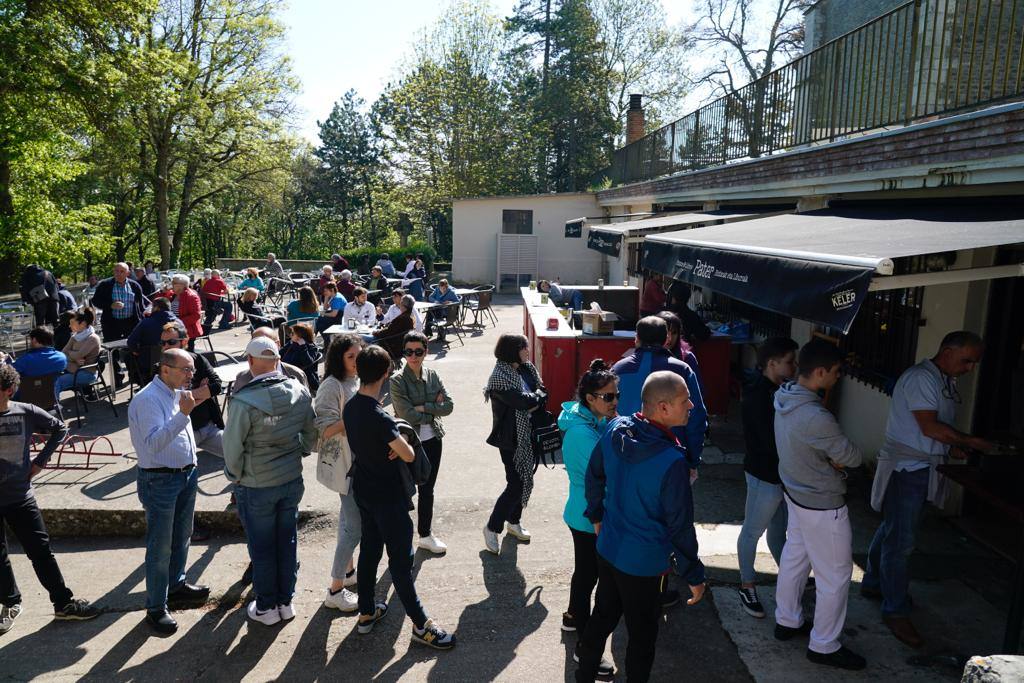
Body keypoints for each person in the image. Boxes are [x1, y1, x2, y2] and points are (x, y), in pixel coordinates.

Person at [862, 331, 992, 648]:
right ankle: (895, 610)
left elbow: (934, 432)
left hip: (921, 463)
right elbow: (930, 427)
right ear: (947, 351)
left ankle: (874, 581)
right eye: (967, 360)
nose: (970, 368)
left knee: (894, 529)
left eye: (974, 362)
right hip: (909, 469)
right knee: (901, 542)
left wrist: (952, 448)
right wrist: (969, 441)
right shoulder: (922, 378)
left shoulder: (943, 379)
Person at [576, 371, 707, 682]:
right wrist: (694, 574)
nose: (691, 405)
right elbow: (680, 528)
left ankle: (583, 676)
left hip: (608, 548)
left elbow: (593, 475)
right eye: (684, 400)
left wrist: (596, 515)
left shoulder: (615, 428)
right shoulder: (672, 462)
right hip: (645, 565)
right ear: (662, 408)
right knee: (642, 637)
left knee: (603, 615)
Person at [344, 344, 456, 650]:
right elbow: (407, 453)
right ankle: (422, 625)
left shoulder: (351, 407)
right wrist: (398, 446)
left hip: (364, 490)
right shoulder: (380, 417)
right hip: (388, 496)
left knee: (369, 551)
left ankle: (366, 612)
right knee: (401, 563)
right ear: (384, 375)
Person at [773, 339, 865, 671]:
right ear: (821, 372)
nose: (839, 377)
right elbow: (851, 457)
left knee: (795, 556)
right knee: (836, 577)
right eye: (838, 372)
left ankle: (787, 620)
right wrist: (835, 462)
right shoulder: (815, 416)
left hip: (795, 491)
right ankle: (824, 644)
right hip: (821, 502)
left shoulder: (784, 395)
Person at [224, 336, 317, 626]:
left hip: (256, 483)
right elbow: (311, 436)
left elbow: (232, 449)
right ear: (277, 361)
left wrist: (235, 476)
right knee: (287, 541)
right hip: (290, 478)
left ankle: (266, 606)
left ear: (250, 362)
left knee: (262, 547)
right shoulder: (299, 391)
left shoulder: (242, 400)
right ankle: (285, 602)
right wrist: (298, 450)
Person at [0, 365, 98, 634]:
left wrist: (40, 462)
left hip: (20, 497)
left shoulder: (25, 411)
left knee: (41, 553)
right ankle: (10, 603)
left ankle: (64, 604)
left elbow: (59, 429)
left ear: (8, 390)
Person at [128, 348, 213, 634]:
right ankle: (155, 607)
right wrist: (184, 415)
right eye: (186, 369)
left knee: (182, 536)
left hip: (184, 475)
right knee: (160, 546)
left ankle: (175, 585)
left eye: (192, 369)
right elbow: (153, 444)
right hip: (160, 480)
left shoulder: (173, 393)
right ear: (165, 369)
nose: (192, 375)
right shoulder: (148, 400)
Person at [557, 359, 618, 678]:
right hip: (587, 517)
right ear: (590, 398)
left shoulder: (594, 421)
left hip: (585, 512)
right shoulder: (582, 433)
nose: (614, 401)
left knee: (585, 574)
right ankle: (585, 646)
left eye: (615, 395)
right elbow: (605, 473)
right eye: (608, 396)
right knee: (588, 579)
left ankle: (571, 618)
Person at [736, 337, 798, 618]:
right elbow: (769, 441)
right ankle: (746, 585)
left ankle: (790, 578)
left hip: (779, 475)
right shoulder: (760, 395)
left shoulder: (775, 389)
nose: (794, 366)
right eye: (789, 361)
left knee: (777, 532)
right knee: (752, 532)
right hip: (765, 474)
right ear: (772, 364)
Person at [612, 316, 707, 472]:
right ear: (666, 339)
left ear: (636, 339)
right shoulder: (682, 370)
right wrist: (693, 459)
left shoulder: (618, 369)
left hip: (624, 456)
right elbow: (696, 417)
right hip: (671, 458)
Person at [483, 333, 547, 554]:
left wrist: (536, 398)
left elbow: (542, 392)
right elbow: (520, 401)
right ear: (513, 350)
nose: (528, 351)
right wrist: (535, 399)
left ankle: (514, 521)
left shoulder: (527, 368)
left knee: (525, 478)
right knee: (516, 484)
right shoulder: (499, 377)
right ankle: (492, 527)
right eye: (524, 347)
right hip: (510, 439)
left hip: (530, 434)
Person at [390, 331, 453, 555]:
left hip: (433, 440)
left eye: (418, 351)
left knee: (428, 490)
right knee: (403, 491)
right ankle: (400, 538)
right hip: (408, 442)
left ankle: (425, 534)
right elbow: (406, 415)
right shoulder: (397, 380)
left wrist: (423, 407)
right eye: (408, 352)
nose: (413, 356)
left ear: (425, 352)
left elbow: (449, 406)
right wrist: (432, 408)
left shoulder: (432, 375)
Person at [315, 334, 364, 612]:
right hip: (345, 465)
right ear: (338, 359)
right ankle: (335, 589)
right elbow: (322, 429)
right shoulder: (331, 386)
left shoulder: (355, 380)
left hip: (359, 462)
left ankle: (348, 572)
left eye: (359, 355)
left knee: (348, 521)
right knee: (353, 528)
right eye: (351, 356)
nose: (357, 361)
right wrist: (359, 417)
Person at [160, 322, 223, 458]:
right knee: (179, 466)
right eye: (163, 343)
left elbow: (216, 386)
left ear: (184, 341)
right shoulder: (160, 369)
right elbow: (167, 401)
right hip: (181, 433)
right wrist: (202, 392)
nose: (165, 347)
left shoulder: (198, 360)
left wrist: (187, 399)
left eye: (171, 342)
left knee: (240, 452)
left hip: (208, 428)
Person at [91, 262, 148, 385]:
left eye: (121, 271)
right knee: (113, 353)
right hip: (111, 323)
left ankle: (135, 377)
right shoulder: (105, 285)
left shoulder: (134, 285)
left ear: (128, 273)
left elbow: (141, 305)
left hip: (131, 323)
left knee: (133, 350)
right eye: (116, 271)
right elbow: (95, 301)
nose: (118, 274)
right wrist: (110, 305)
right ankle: (118, 378)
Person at [231, 326, 309, 393]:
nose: (261, 347)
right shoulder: (242, 378)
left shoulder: (296, 374)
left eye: (267, 343)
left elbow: (306, 405)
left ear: (278, 344)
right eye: (255, 343)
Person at [55, 308, 101, 396]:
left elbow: (78, 355)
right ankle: (51, 405)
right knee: (51, 379)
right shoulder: (75, 337)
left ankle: (53, 408)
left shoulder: (93, 338)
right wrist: (73, 359)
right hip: (74, 369)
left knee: (58, 382)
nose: (69, 326)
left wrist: (70, 353)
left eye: (72, 323)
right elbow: (62, 354)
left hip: (87, 373)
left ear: (82, 324)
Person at [665, 281, 710, 345]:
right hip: (683, 351)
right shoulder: (691, 316)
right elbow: (704, 334)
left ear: (674, 298)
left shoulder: (665, 315)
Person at [372, 294, 415, 360]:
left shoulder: (402, 318)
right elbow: (386, 321)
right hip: (400, 345)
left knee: (364, 338)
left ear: (402, 305)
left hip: (391, 345)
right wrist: (380, 315)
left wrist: (376, 332)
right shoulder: (410, 316)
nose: (393, 298)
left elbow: (388, 332)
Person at [281, 323, 321, 392]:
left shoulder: (311, 347)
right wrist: (289, 345)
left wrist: (303, 347)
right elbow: (280, 353)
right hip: (285, 370)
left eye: (293, 333)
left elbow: (308, 362)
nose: (291, 335)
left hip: (297, 375)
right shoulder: (292, 343)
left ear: (300, 336)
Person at [169, 275, 204, 351]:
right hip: (174, 330)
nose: (171, 285)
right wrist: (163, 292)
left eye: (174, 283)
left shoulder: (191, 296)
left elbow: (196, 315)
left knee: (186, 354)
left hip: (187, 331)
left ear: (181, 285)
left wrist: (178, 323)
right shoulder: (174, 295)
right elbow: (160, 302)